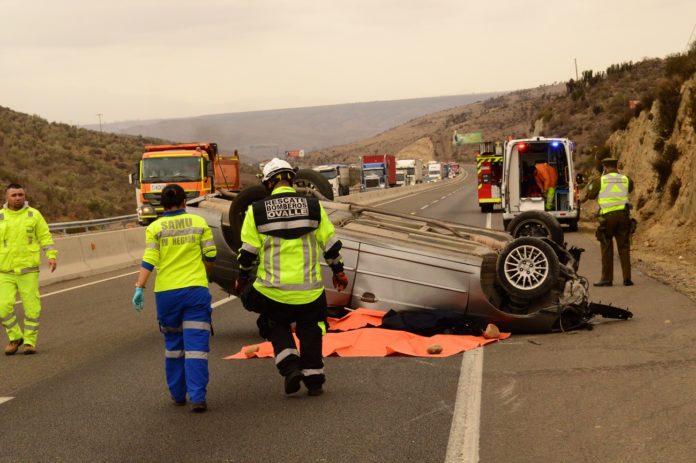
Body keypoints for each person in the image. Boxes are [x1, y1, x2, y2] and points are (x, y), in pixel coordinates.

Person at [234, 158, 348, 397]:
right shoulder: (313, 207)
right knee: (312, 327)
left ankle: (290, 367)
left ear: (268, 183)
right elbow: (330, 245)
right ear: (291, 178)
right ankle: (314, 380)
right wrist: (338, 271)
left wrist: (242, 278)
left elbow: (248, 253)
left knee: (273, 323)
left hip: (273, 292)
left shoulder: (256, 211)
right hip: (309, 291)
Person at [131, 184, 217, 412]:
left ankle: (178, 394)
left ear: (162, 204)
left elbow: (150, 258)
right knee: (196, 346)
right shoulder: (199, 223)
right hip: (195, 291)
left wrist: (140, 286)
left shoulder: (155, 227)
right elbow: (211, 254)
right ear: (184, 202)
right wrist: (205, 274)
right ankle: (198, 397)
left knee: (173, 346)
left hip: (167, 294)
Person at [1, 183, 57, 355]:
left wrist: (51, 256)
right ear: (6, 197)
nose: (18, 197)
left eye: (20, 194)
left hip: (28, 271)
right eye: (14, 195)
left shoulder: (34, 215)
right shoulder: (1, 216)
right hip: (5, 271)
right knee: (3, 306)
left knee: (32, 308)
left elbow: (44, 236)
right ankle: (15, 337)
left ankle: (30, 342)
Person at [586, 158, 634, 287]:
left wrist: (594, 181)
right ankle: (627, 278)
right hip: (624, 216)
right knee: (624, 247)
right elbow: (630, 188)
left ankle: (607, 279)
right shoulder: (626, 179)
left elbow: (590, 195)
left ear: (605, 167)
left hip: (608, 217)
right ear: (616, 166)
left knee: (607, 247)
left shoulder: (600, 181)